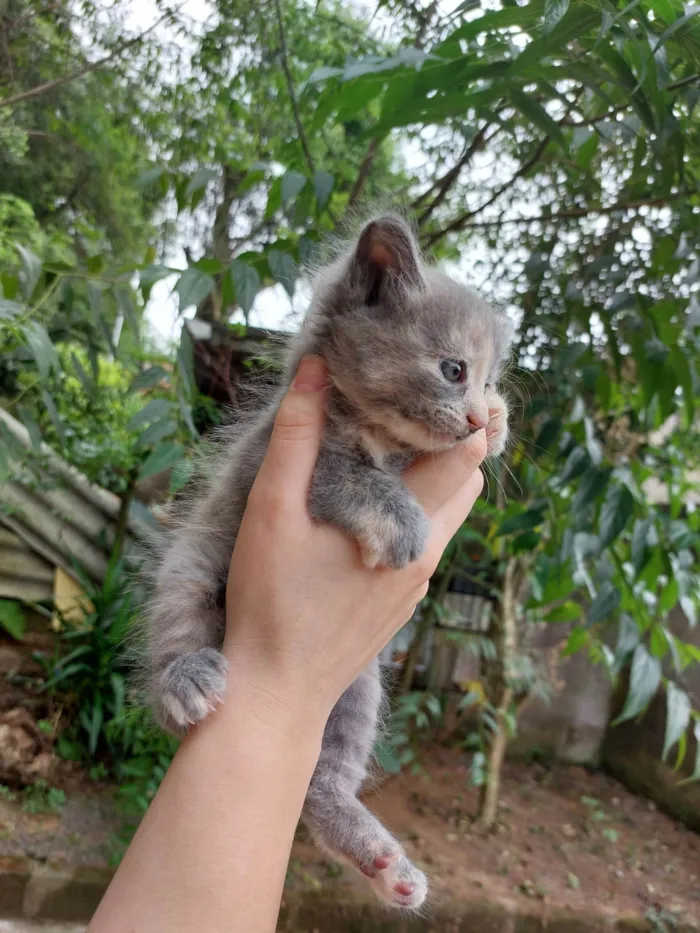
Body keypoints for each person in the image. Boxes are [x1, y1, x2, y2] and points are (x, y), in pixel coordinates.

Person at [88, 356, 487, 933]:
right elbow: (324, 487)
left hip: (322, 636)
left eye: (482, 381)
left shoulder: (409, 427)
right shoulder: (312, 419)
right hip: (220, 584)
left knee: (361, 673)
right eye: (454, 370)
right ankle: (178, 667)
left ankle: (332, 797)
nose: (472, 404)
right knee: (187, 565)